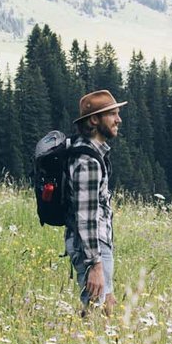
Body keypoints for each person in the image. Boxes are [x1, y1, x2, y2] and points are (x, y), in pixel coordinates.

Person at [64, 88, 123, 314]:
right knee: (95, 310)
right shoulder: (87, 161)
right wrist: (94, 265)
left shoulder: (92, 154)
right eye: (112, 114)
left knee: (106, 307)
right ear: (95, 120)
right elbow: (85, 218)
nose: (118, 119)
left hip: (98, 245)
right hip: (92, 247)